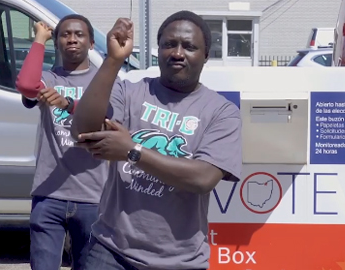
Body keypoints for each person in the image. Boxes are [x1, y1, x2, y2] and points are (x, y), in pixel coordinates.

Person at [69, 10, 243, 270]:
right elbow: (82, 130)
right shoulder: (129, 92)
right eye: (169, 44)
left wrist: (132, 151)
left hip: (180, 262)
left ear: (206, 55)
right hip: (110, 252)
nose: (178, 53)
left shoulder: (222, 112)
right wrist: (113, 61)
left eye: (190, 46)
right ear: (158, 50)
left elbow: (203, 178)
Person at [14, 14, 113, 270]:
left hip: (93, 196)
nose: (72, 39)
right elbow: (26, 85)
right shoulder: (48, 79)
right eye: (65, 35)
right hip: (49, 195)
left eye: (79, 34)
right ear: (57, 42)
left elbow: (109, 117)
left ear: (91, 43)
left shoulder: (103, 82)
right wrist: (39, 38)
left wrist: (68, 104)